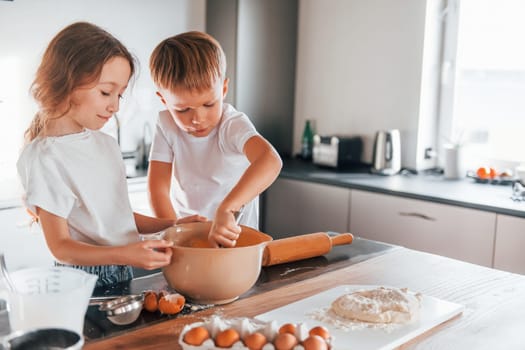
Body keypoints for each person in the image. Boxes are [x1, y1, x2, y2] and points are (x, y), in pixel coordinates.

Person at [16, 22, 204, 287]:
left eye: (120, 95)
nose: (114, 106)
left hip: (122, 270)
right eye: (106, 92)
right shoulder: (45, 157)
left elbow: (117, 218)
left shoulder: (106, 144)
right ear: (66, 80)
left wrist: (171, 223)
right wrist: (126, 254)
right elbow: (61, 247)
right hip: (79, 282)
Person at [148, 31, 282, 248]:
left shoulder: (232, 124)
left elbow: (270, 160)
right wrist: (173, 230)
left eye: (209, 104)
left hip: (236, 240)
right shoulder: (166, 124)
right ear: (163, 99)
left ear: (224, 89)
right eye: (183, 109)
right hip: (190, 238)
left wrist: (227, 209)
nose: (197, 119)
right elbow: (158, 188)